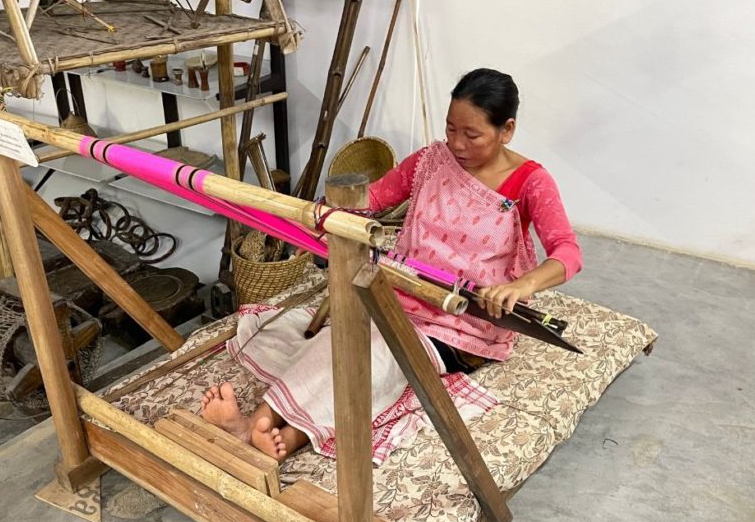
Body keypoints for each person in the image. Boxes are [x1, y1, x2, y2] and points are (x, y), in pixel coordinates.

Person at [202, 68, 583, 463]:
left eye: (472, 135)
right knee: (346, 336)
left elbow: (568, 252)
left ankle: (290, 436)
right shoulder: (432, 161)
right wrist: (311, 216)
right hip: (400, 292)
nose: (457, 144)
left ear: (507, 130)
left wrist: (521, 286)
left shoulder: (529, 182)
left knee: (378, 355)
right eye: (451, 129)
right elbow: (370, 199)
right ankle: (256, 421)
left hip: (462, 321)